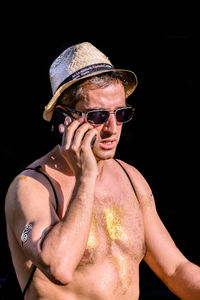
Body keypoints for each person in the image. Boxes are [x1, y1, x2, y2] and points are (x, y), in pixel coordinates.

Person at [5, 42, 200, 300]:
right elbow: (59, 268)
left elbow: (175, 269)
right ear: (65, 118)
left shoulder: (131, 179)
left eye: (121, 114)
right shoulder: (31, 187)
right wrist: (86, 177)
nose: (112, 128)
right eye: (97, 116)